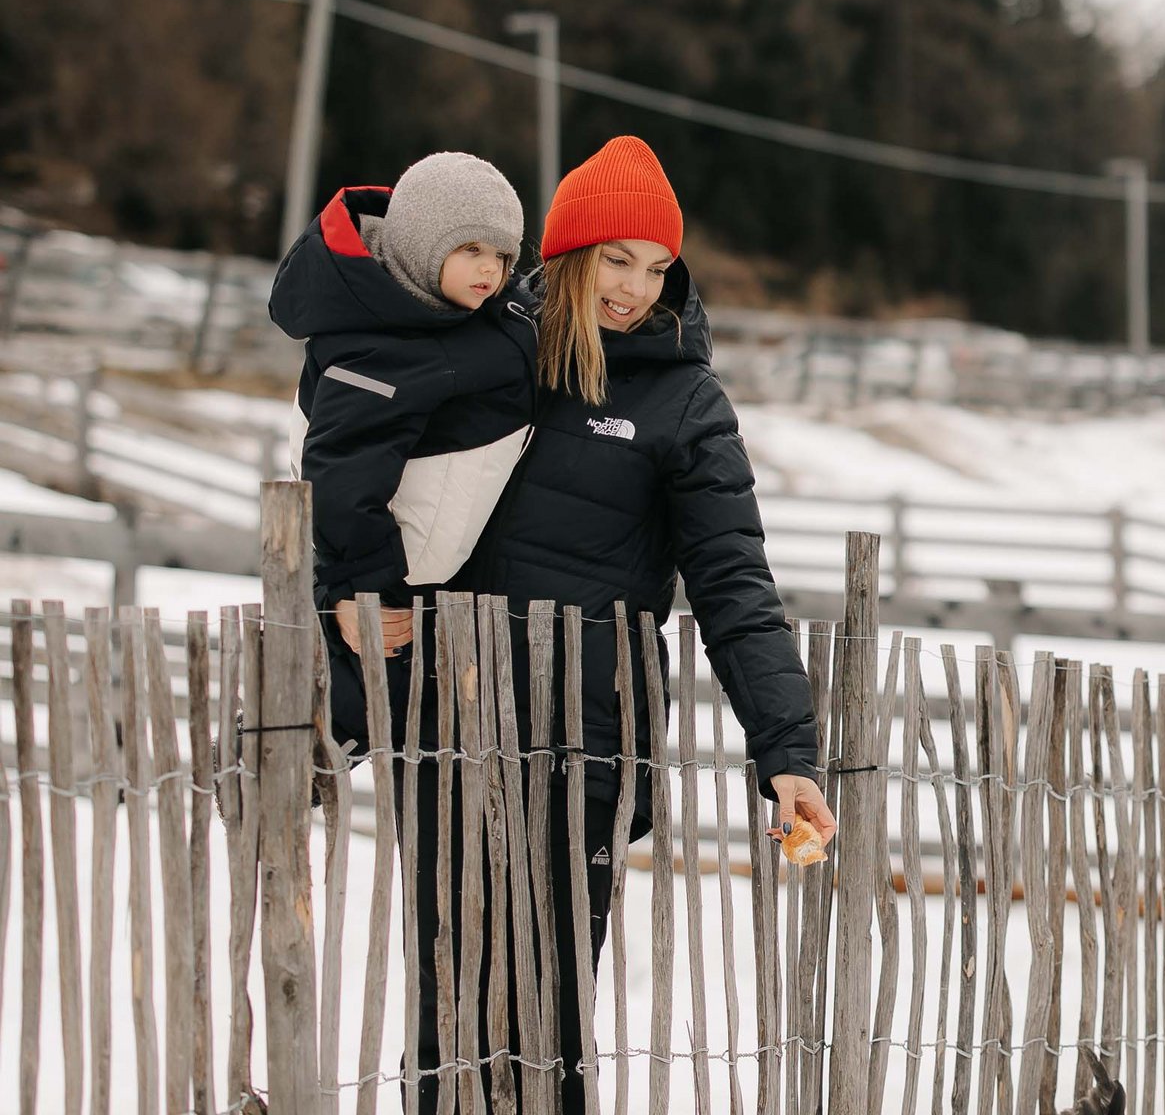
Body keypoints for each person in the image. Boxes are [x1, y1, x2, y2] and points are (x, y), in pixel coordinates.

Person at [440, 134, 836, 1110]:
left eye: (656, 266)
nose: (634, 286)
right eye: (617, 258)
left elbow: (734, 581)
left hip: (588, 744)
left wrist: (786, 747)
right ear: (570, 251)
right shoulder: (490, 358)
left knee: (550, 1018)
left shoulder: (686, 400)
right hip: (455, 727)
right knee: (447, 1006)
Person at [267, 151, 536, 752]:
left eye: (503, 256)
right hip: (390, 578)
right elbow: (341, 477)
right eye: (470, 251)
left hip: (441, 578)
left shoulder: (467, 315)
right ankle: (274, 760)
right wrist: (367, 590)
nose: (490, 271)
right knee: (340, 718)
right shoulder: (376, 345)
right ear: (419, 244)